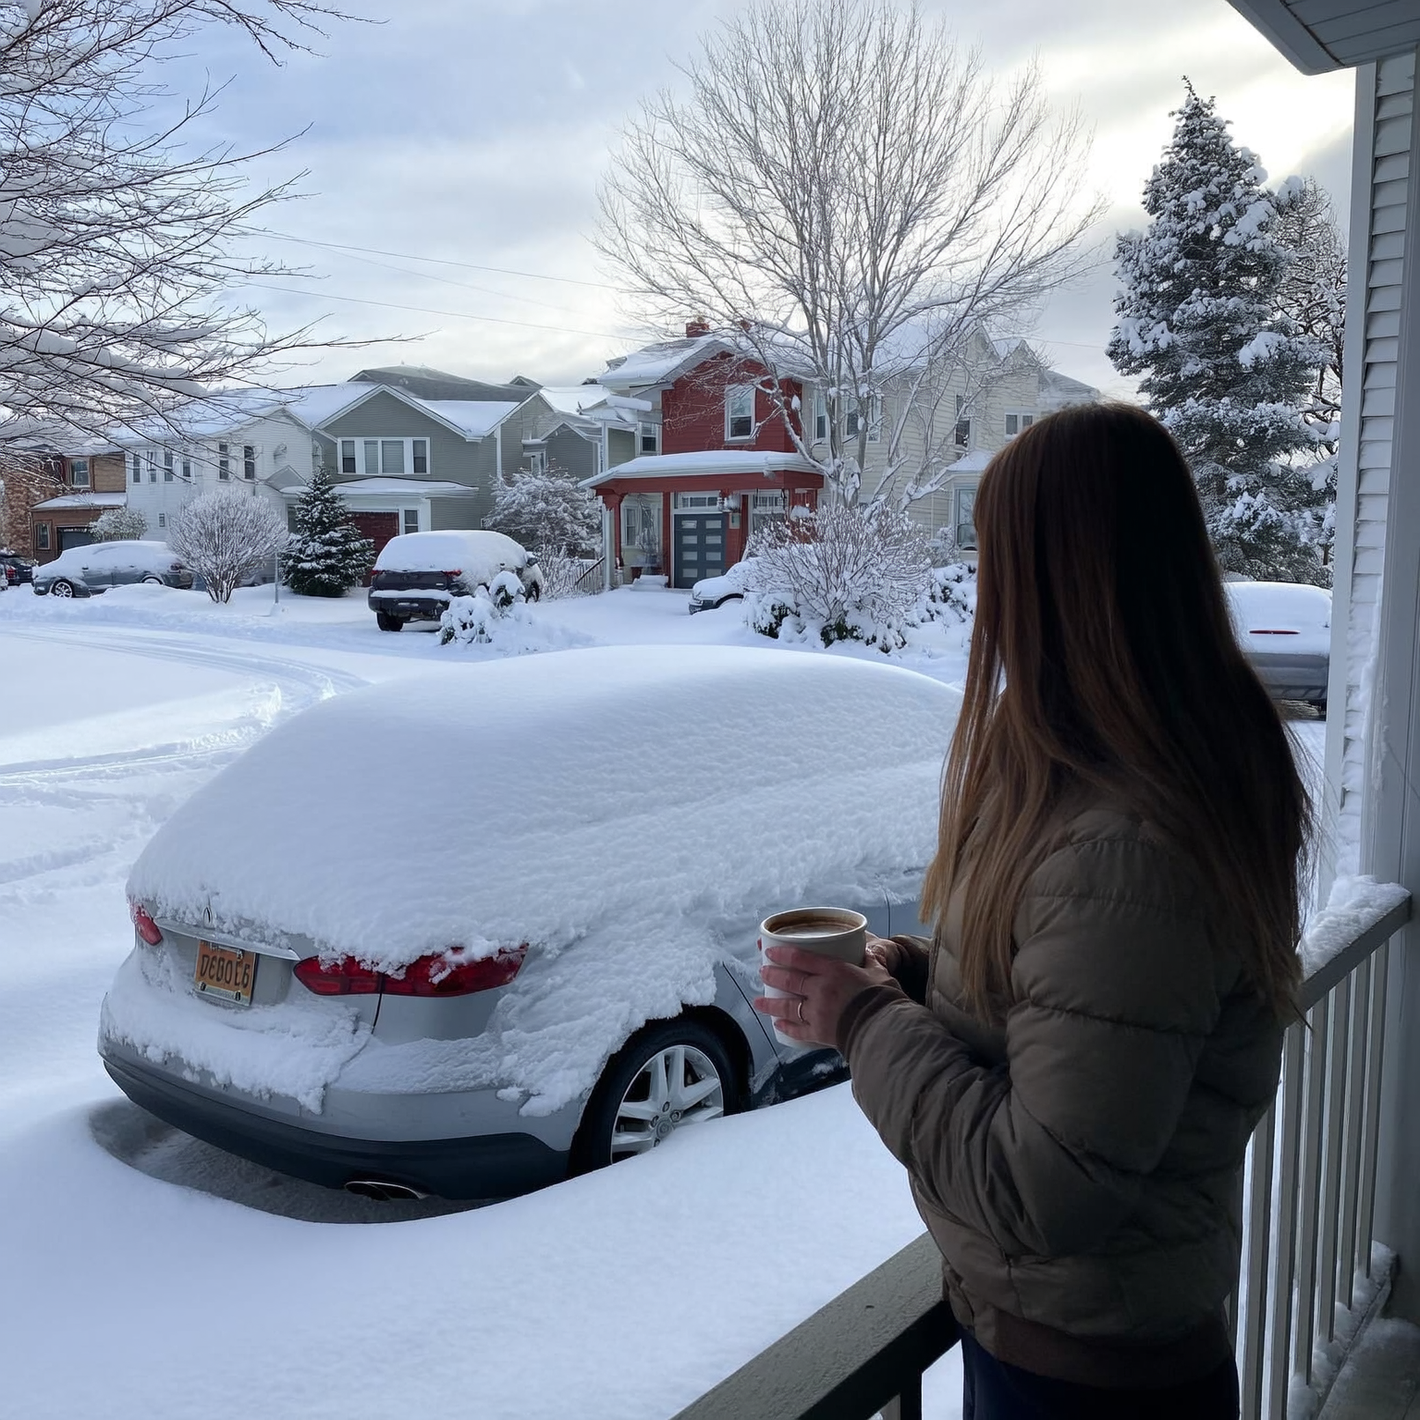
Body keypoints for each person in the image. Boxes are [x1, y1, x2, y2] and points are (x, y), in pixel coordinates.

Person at [755, 403, 1309, 1420]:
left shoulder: (1131, 845)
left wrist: (864, 1020)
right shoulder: (1112, 775)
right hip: (1058, 1341)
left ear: (1062, 579)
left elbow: (1047, 1185)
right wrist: (911, 974)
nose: (985, 593)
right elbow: (1074, 1000)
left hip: (1084, 1381)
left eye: (997, 560)